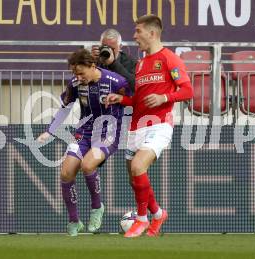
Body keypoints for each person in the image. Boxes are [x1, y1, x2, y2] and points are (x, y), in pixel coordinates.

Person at [105, 14, 193, 238]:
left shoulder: (169, 59)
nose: (134, 37)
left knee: (137, 167)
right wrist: (121, 99)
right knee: (134, 176)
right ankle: (158, 213)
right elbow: (138, 99)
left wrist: (164, 98)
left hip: (159, 124)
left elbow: (188, 91)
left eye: (138, 31)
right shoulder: (142, 63)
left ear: (152, 33)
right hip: (136, 127)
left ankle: (142, 219)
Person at [37, 49, 130, 236]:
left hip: (108, 133)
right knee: (66, 172)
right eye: (75, 73)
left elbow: (133, 101)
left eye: (81, 73)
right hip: (84, 132)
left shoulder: (116, 81)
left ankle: (97, 208)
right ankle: (74, 221)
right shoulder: (75, 84)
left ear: (93, 66)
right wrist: (49, 131)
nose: (78, 77)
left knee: (88, 165)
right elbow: (65, 108)